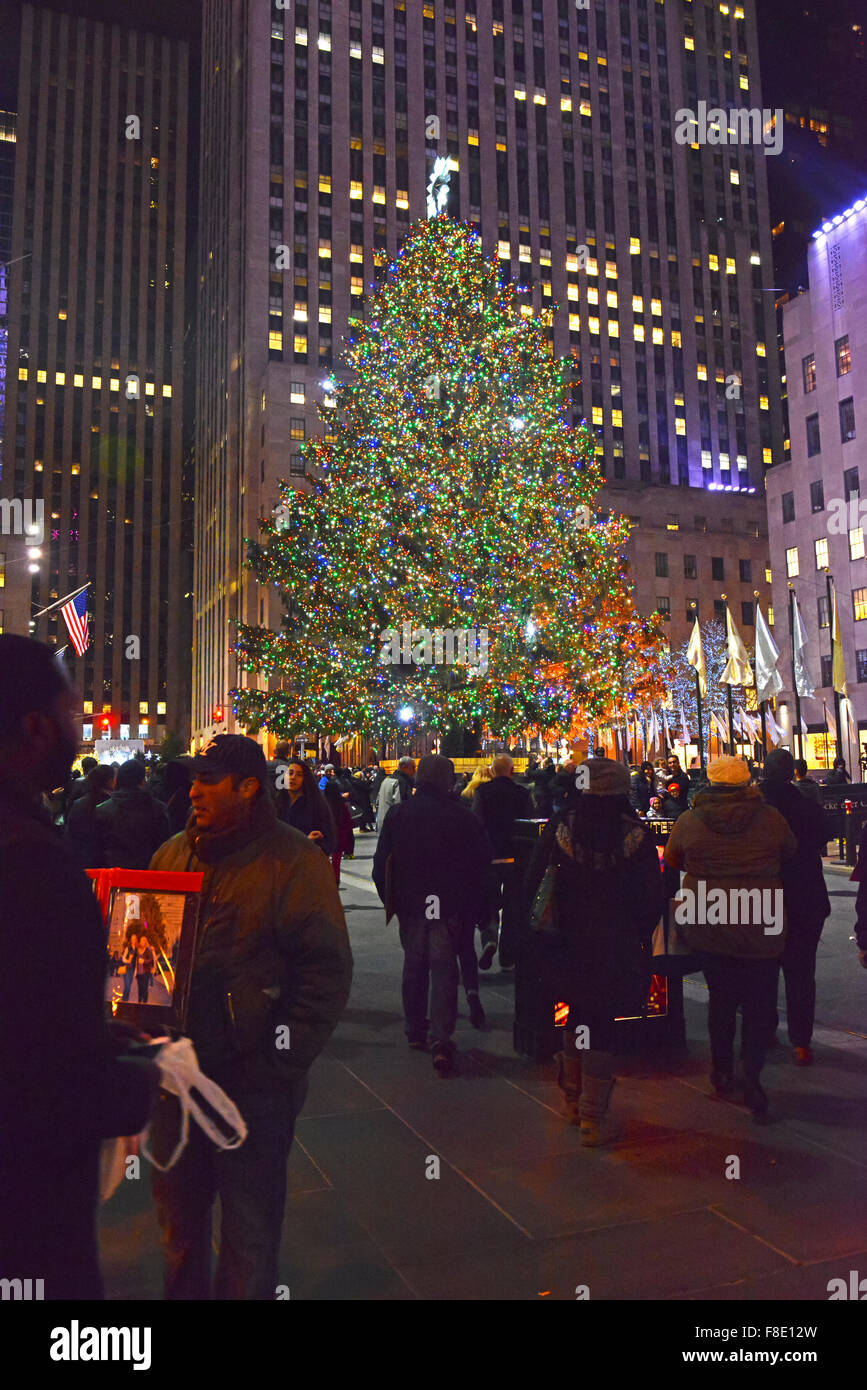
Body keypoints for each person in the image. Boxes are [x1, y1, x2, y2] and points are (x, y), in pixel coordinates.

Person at [148, 734, 353, 1299]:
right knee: (179, 1231)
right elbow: (148, 955)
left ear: (247, 788)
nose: (193, 791)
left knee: (250, 1237)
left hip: (252, 1087)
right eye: (193, 779)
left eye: (208, 781)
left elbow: (325, 973)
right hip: (177, 1079)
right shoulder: (172, 853)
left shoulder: (292, 861)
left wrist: (275, 1062)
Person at [0, 634, 160, 1299]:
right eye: (73, 713)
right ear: (36, 728)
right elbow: (40, 1077)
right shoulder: (29, 861)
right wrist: (135, 1081)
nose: (79, 727)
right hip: (26, 1214)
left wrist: (91, 1037)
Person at [526, 758, 666, 1145]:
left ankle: (572, 1099)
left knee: (575, 1016)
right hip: (614, 943)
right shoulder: (635, 834)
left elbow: (534, 880)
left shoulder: (562, 827)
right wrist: (637, 931)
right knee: (601, 1021)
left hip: (566, 940)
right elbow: (650, 895)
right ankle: (592, 1114)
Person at [664, 756, 796, 1116]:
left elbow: (673, 860)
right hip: (760, 916)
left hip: (710, 917)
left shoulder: (689, 821)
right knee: (758, 1003)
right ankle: (750, 1071)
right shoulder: (771, 819)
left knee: (720, 1000)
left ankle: (721, 1069)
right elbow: (790, 852)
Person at [372, 754, 493, 1074]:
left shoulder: (400, 814)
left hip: (411, 904)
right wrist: (475, 908)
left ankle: (415, 1029)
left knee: (414, 964)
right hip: (448, 904)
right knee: (443, 969)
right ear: (447, 779)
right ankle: (441, 1037)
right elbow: (481, 862)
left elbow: (381, 863)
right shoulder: (461, 816)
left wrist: (392, 900)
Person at [759, 749, 831, 1066]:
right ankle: (801, 1041)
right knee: (801, 972)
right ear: (791, 772)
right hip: (805, 896)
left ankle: (765, 1030)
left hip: (764, 896)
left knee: (762, 969)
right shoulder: (806, 805)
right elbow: (824, 836)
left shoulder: (754, 808)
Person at [472, 754, 533, 971]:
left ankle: (489, 937)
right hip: (516, 857)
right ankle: (508, 956)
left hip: (490, 856)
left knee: (488, 899)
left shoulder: (482, 792)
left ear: (492, 771)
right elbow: (530, 825)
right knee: (513, 906)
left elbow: (476, 823)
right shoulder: (522, 794)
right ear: (512, 770)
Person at [94, 757, 171, 869]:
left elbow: (96, 849)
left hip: (114, 876)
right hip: (148, 876)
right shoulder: (158, 809)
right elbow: (164, 847)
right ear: (142, 781)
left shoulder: (102, 810)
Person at [275, 759, 336, 855]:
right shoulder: (276, 802)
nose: (293, 777)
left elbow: (327, 839)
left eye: (299, 775)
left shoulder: (315, 804)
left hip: (305, 862)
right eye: (290, 773)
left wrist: (308, 843)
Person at [65, 762, 116, 868]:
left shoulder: (79, 803)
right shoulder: (111, 805)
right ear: (110, 781)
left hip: (81, 860)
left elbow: (70, 831)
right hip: (105, 864)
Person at [322, 772, 355, 885]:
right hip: (339, 837)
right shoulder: (341, 804)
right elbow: (348, 823)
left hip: (324, 837)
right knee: (336, 862)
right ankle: (335, 881)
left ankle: (325, 881)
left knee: (324, 860)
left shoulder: (322, 803)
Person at [376, 755, 415, 828]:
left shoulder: (386, 780)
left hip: (383, 821)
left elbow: (378, 801)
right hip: (395, 825)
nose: (414, 770)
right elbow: (399, 805)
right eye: (412, 767)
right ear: (403, 766)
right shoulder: (401, 782)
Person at [135, 934, 156, 1003]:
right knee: (140, 989)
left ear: (145, 942)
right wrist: (135, 972)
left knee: (145, 989)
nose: (141, 942)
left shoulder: (148, 950)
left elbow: (151, 960)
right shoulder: (138, 950)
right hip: (139, 973)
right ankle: (139, 1002)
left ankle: (145, 1003)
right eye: (141, 940)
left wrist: (144, 961)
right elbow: (136, 962)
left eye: (143, 941)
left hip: (145, 973)